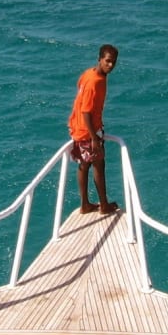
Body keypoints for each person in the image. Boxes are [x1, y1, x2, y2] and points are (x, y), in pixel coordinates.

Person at [68, 43, 119, 215]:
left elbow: (79, 89)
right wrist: (94, 138)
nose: (110, 65)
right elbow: (86, 112)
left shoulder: (89, 74)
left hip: (79, 128)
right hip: (88, 130)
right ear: (99, 59)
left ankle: (85, 205)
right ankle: (103, 206)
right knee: (99, 164)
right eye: (107, 61)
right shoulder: (94, 82)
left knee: (84, 164)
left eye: (113, 62)